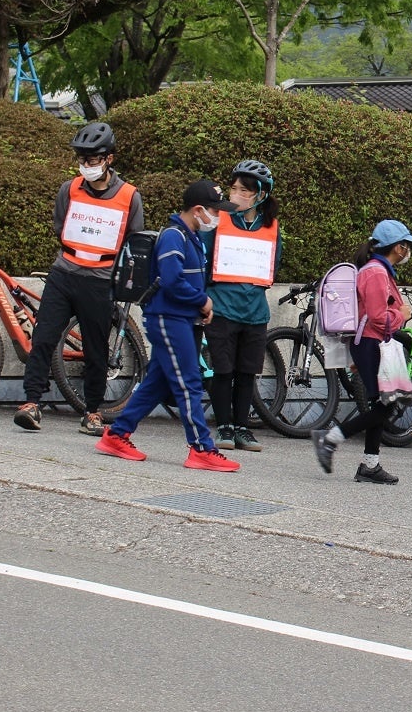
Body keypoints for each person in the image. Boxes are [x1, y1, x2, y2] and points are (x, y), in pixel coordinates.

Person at [95, 180, 239, 471]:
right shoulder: (175, 236)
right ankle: (201, 448)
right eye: (215, 210)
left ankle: (116, 435)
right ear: (199, 210)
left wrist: (199, 306)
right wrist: (202, 301)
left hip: (179, 318)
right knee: (189, 383)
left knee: (156, 384)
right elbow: (173, 281)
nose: (219, 216)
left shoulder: (191, 236)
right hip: (168, 319)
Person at [16, 122, 144, 436]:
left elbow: (134, 240)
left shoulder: (129, 196)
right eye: (83, 159)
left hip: (100, 279)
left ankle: (92, 412)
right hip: (64, 272)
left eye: (94, 159)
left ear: (109, 159)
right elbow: (60, 227)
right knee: (44, 337)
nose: (87, 165)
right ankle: (31, 403)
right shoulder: (69, 189)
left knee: (96, 348)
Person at [310, 219, 412, 485]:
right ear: (398, 247)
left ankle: (370, 465)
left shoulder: (379, 270)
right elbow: (377, 317)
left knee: (382, 403)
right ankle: (331, 439)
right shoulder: (376, 273)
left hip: (373, 344)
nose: (408, 252)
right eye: (406, 246)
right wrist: (402, 315)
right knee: (389, 404)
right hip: (373, 343)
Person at [203, 160, 281, 454]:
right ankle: (223, 425)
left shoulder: (271, 227)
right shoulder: (219, 221)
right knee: (223, 371)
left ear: (260, 195)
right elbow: (203, 259)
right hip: (222, 308)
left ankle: (242, 427)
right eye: (233, 188)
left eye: (243, 190)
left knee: (247, 372)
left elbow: (273, 264)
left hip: (255, 312)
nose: (236, 194)